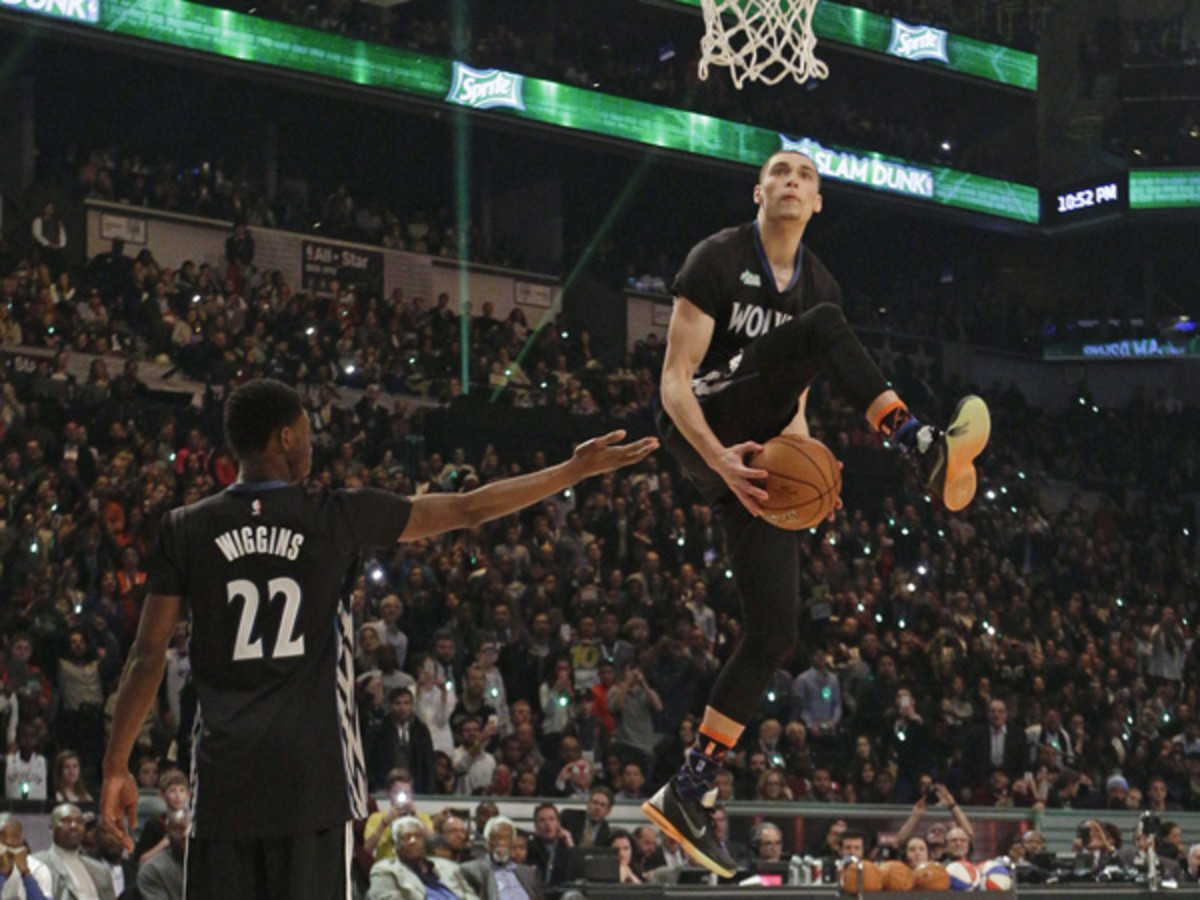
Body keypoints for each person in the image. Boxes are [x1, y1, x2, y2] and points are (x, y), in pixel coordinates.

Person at [98, 378, 657, 900]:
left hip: (225, 780)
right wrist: (571, 471)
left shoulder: (186, 526)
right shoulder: (336, 515)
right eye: (309, 434)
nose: (313, 447)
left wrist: (116, 766)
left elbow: (147, 658)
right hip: (312, 779)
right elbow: (468, 508)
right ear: (286, 435)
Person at [642, 148, 990, 876]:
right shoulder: (717, 258)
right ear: (759, 190)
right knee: (827, 324)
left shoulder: (818, 281)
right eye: (780, 172)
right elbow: (673, 385)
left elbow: (794, 408)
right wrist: (716, 458)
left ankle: (690, 787)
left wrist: (805, 483)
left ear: (820, 201)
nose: (792, 181)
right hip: (704, 421)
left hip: (759, 448)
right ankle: (919, 441)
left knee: (775, 631)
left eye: (805, 175)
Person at [369, 816, 477, 899]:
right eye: (406, 837)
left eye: (417, 836)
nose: (413, 841)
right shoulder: (385, 869)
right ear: (395, 844)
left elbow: (470, 895)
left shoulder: (449, 866)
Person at [32, 804, 116, 900]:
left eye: (79, 821)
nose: (74, 826)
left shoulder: (100, 870)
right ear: (51, 827)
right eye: (66, 821)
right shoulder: (37, 864)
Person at [460, 816, 543, 899]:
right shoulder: (472, 871)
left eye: (506, 838)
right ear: (486, 842)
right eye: (496, 838)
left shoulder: (529, 873)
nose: (501, 843)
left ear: (512, 842)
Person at [136, 809, 187, 900]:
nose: (185, 835)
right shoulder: (153, 869)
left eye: (189, 829)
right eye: (179, 829)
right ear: (168, 834)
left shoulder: (213, 865)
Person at [0, 813, 52, 900]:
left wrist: (26, 874)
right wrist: (3, 874)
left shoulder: (37, 868)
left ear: (21, 840)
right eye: (1, 835)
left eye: (14, 836)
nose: (8, 841)